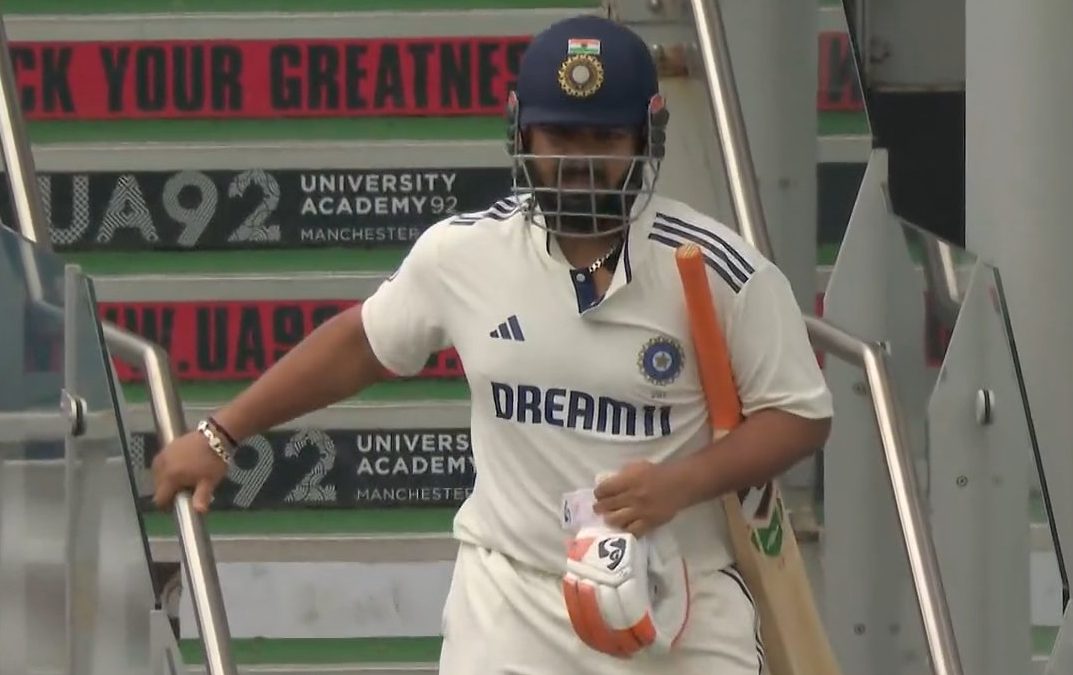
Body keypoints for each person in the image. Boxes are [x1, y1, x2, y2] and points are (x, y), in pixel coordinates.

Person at [151, 14, 833, 675]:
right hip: (513, 602)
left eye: (604, 140)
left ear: (646, 140)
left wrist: (681, 483)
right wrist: (220, 433)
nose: (578, 163)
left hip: (676, 603)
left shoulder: (716, 268)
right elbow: (363, 343)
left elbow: (799, 413)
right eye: (558, 137)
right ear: (521, 133)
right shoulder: (465, 253)